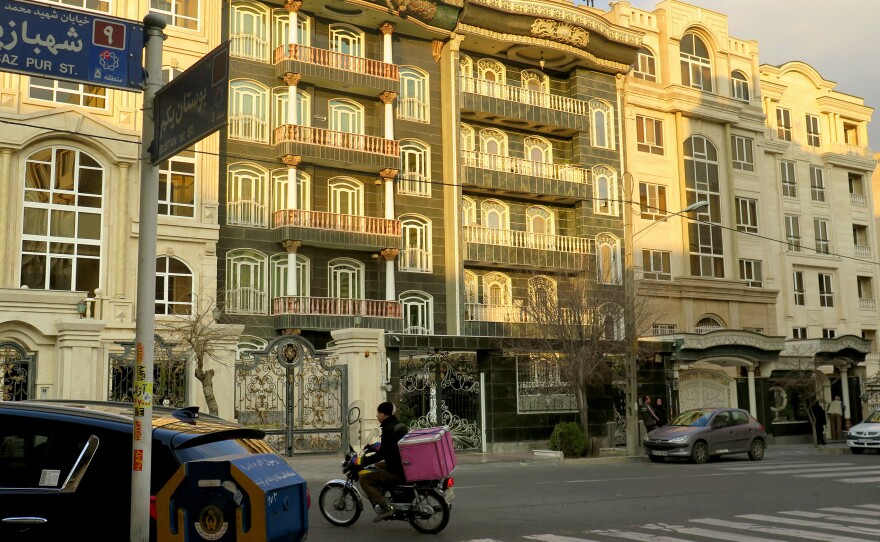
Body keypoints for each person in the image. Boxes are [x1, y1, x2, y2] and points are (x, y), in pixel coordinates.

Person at [347, 401, 409, 522]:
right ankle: (384, 491)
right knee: (375, 466)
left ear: (385, 414)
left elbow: (382, 454)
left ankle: (385, 508)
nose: (377, 415)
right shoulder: (398, 425)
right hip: (402, 463)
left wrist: (361, 461)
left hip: (395, 469)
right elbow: (392, 446)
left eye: (379, 412)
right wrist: (377, 446)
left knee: (365, 479)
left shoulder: (388, 429)